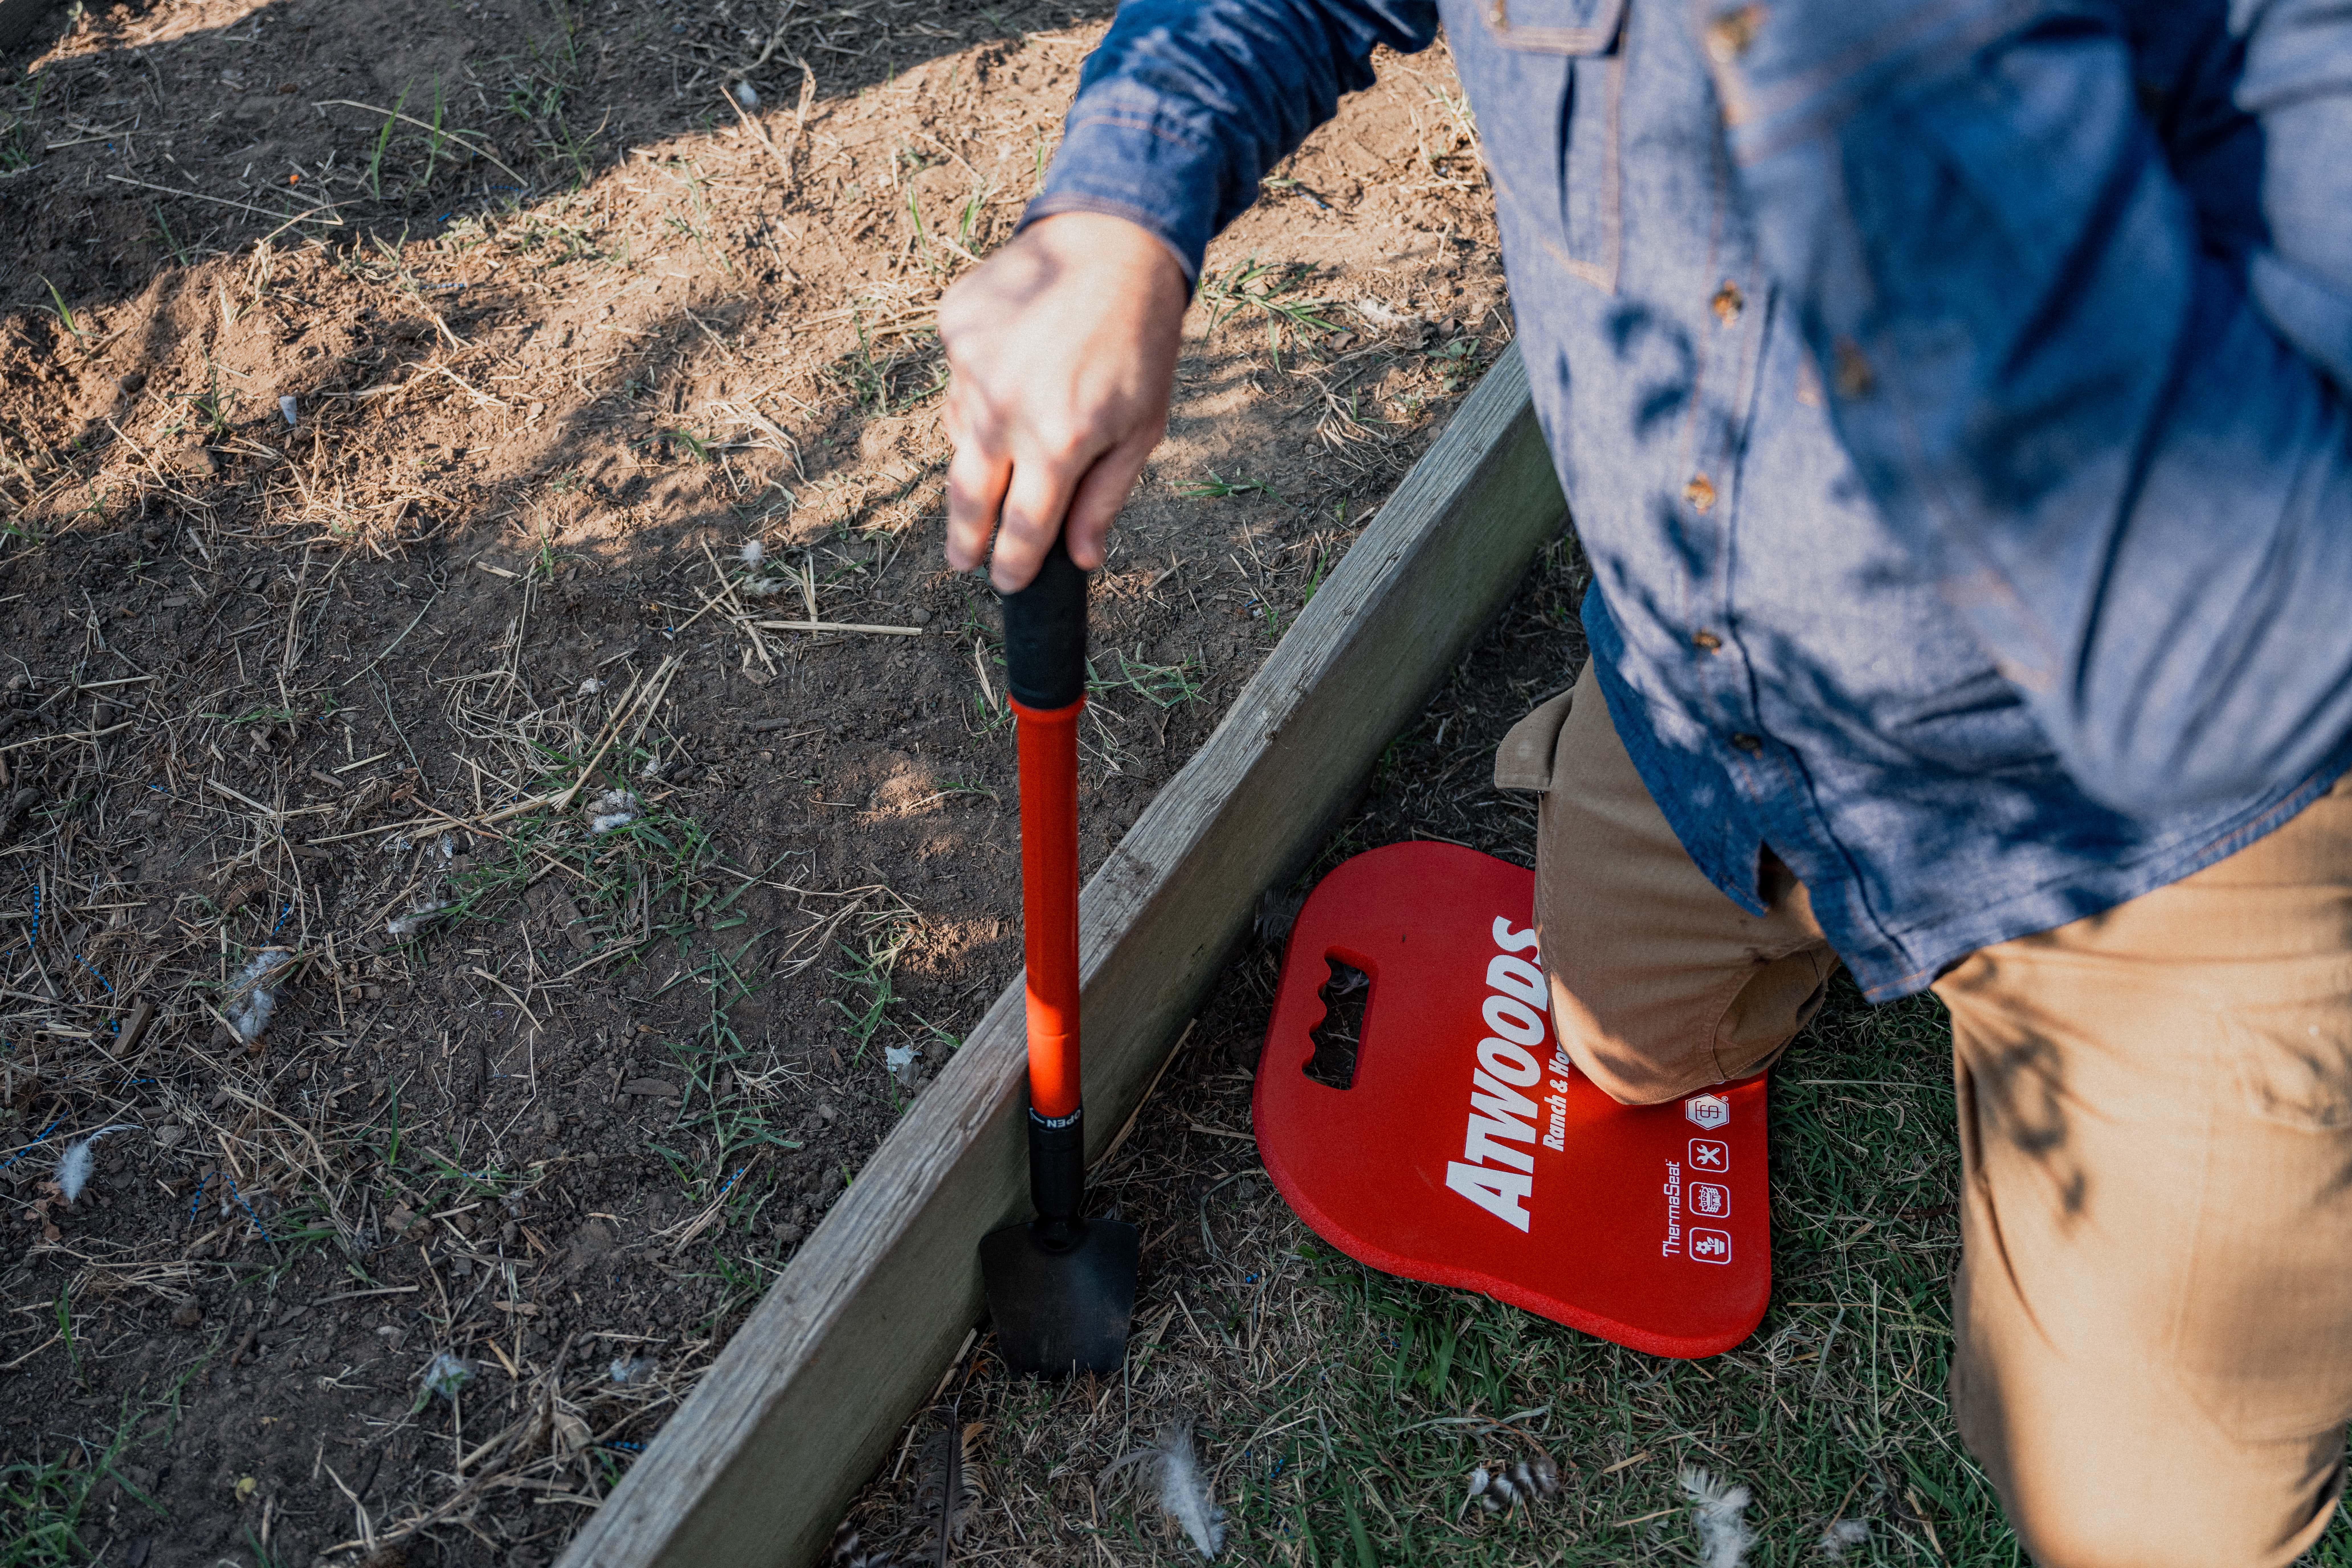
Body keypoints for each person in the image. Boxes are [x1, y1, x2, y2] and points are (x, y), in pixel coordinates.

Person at [933, 1, 2352, 1562]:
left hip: (2172, 858)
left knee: (2143, 1530)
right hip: (1725, 712)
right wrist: (1125, 206)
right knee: (1615, 1048)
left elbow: (2236, 670)